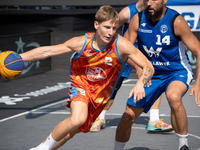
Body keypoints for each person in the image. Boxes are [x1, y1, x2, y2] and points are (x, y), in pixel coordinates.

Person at [17, 5, 154, 150]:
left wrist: (140, 83)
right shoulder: (81, 42)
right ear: (96, 24)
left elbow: (149, 67)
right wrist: (18, 58)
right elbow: (46, 51)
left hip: (101, 96)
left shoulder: (121, 44)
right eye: (107, 27)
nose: (110, 32)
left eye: (114, 28)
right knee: (77, 119)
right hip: (81, 84)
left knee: (70, 132)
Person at [114, 0, 200, 150]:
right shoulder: (138, 19)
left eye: (154, 0)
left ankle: (183, 146)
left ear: (164, 0)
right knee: (128, 115)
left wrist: (198, 81)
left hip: (176, 71)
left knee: (173, 97)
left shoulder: (176, 21)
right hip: (151, 72)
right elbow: (124, 51)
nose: (149, 3)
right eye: (147, 0)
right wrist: (138, 67)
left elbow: (198, 51)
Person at [90, 0, 172, 132]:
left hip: (145, 54)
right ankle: (100, 118)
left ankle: (154, 120)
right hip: (125, 55)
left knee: (155, 79)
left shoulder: (158, 10)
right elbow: (108, 28)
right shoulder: (127, 12)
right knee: (113, 87)